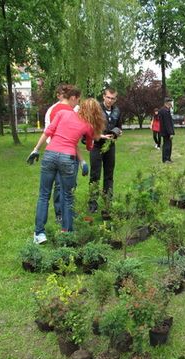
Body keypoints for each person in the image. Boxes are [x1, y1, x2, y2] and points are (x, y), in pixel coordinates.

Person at [27, 97, 106, 244]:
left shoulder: (63, 113)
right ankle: (66, 234)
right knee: (67, 196)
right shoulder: (88, 126)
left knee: (44, 195)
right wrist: (85, 156)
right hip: (67, 159)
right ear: (95, 112)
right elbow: (89, 146)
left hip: (49, 155)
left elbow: (48, 131)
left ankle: (39, 234)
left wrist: (36, 149)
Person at [44, 84, 84, 224]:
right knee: (59, 185)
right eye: (62, 94)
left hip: (72, 151)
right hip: (57, 151)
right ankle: (60, 214)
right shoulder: (53, 110)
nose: (64, 96)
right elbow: (49, 132)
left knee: (71, 184)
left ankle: (69, 212)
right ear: (58, 95)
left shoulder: (76, 109)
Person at [88, 88, 122, 213]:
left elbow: (119, 126)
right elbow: (89, 128)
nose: (110, 100)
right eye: (108, 97)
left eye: (113, 98)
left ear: (115, 99)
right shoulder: (96, 109)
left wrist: (117, 132)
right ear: (103, 96)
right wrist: (101, 136)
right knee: (95, 175)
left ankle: (108, 201)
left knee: (109, 175)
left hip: (110, 145)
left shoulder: (117, 110)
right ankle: (92, 203)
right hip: (96, 145)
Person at [158, 97, 175, 163]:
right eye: (170, 102)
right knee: (167, 145)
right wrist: (171, 133)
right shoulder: (165, 111)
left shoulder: (163, 110)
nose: (171, 103)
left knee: (167, 144)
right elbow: (167, 123)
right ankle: (166, 159)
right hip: (166, 132)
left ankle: (167, 158)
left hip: (164, 131)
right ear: (167, 103)